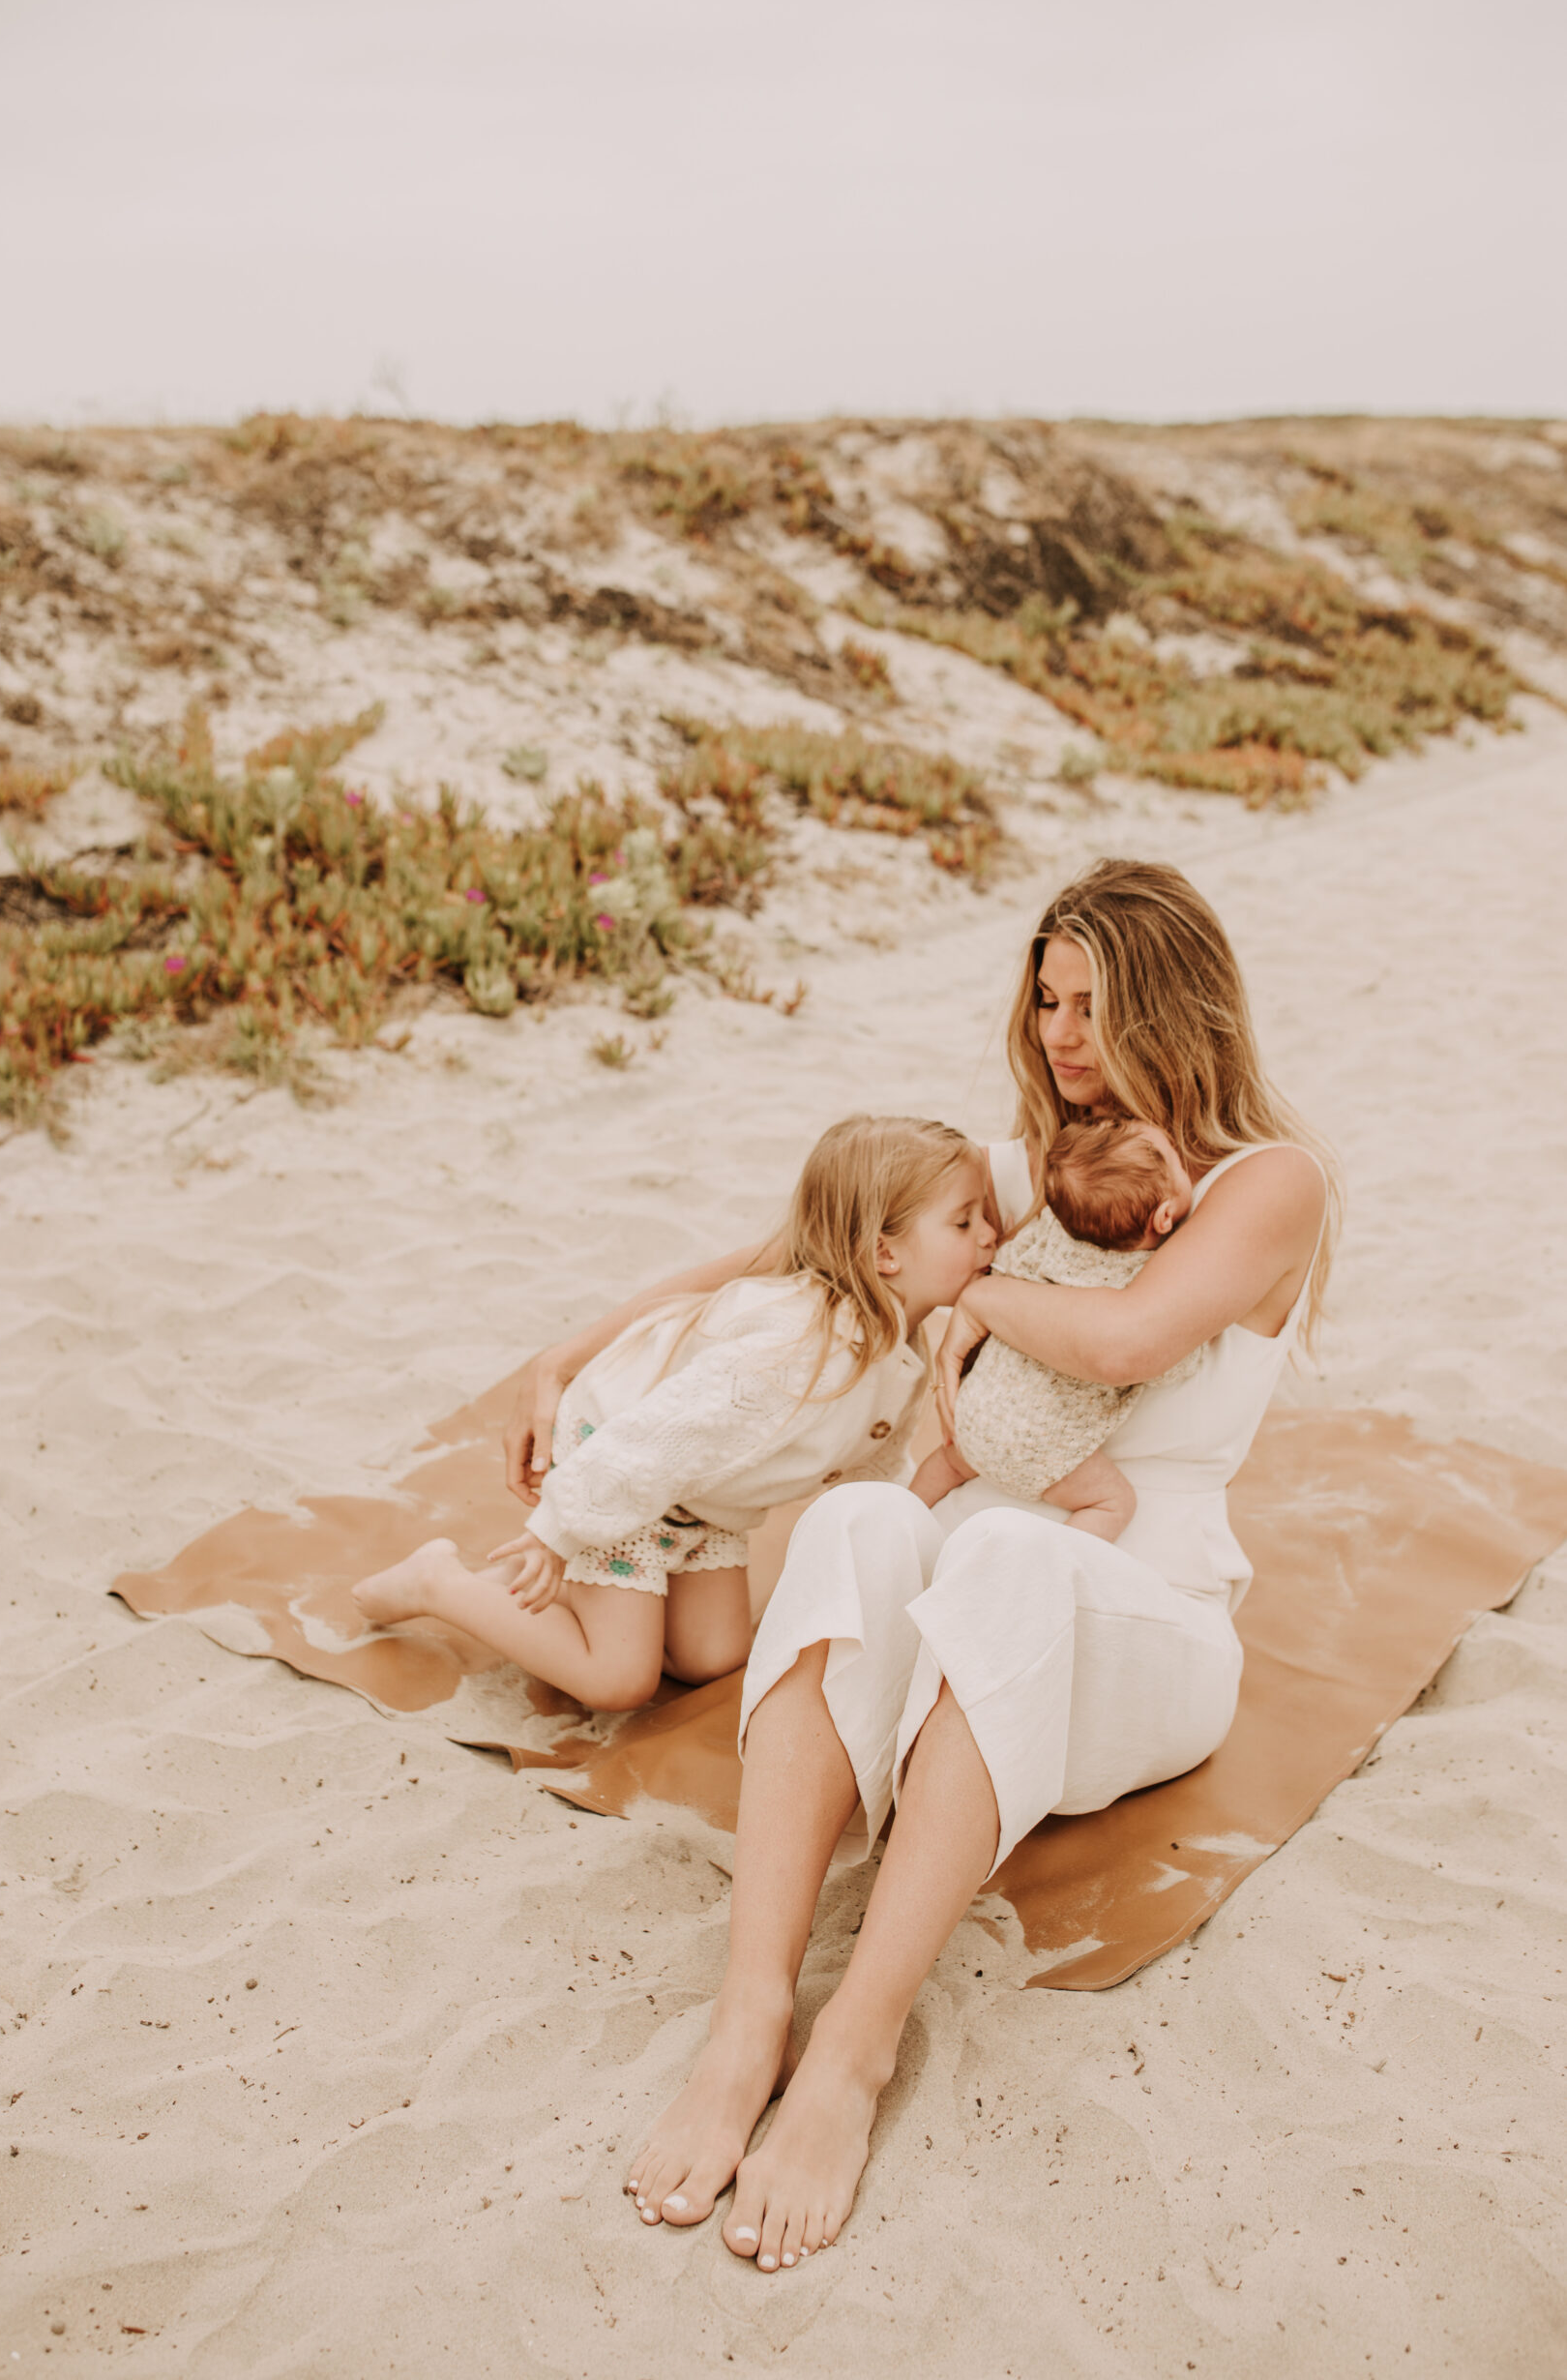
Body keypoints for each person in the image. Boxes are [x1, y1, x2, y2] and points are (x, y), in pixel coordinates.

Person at [503, 856, 1334, 2275]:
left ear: (1175, 1003)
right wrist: (560, 1355)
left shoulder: (1267, 1186)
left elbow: (1127, 1342)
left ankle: (850, 2053)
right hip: (944, 1619)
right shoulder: (1023, 1166)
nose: (1059, 1035)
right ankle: (750, 2009)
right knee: (850, 1521)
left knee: (1000, 1542)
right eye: (1045, 999)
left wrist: (958, 1287)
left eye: (1090, 1003)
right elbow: (793, 1251)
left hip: (1139, 1612)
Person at [353, 1116, 996, 1711]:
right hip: (621, 1456)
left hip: (697, 1493)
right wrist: (560, 1533)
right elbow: (655, 1437)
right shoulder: (798, 1352)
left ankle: (590, 1586)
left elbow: (874, 1467)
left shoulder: (901, 1344)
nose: (991, 1235)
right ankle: (438, 1581)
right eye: (964, 1224)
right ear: (885, 1253)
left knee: (710, 1656)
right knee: (617, 1678)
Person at [912, 1116, 1201, 1540]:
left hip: (973, 1418)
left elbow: (1007, 1265)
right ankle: (1050, 1569)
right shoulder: (1144, 1284)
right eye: (1180, 1164)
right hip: (1043, 1448)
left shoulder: (1050, 1231)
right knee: (1114, 1502)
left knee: (946, 1464)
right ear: (1163, 1218)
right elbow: (1164, 1362)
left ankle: (904, 1513)